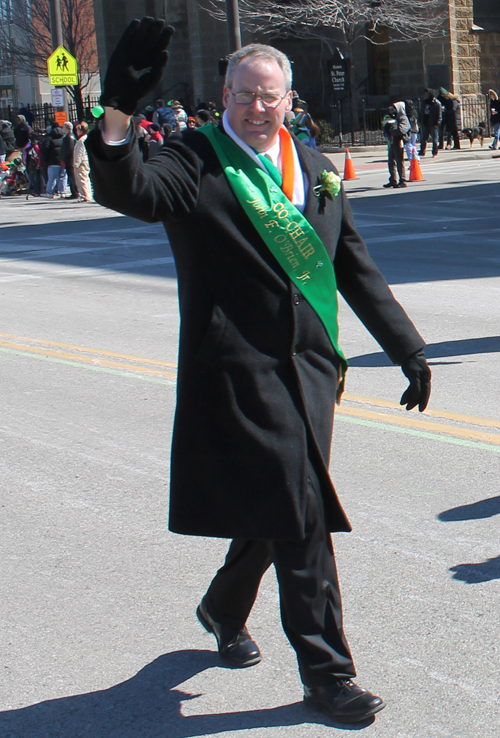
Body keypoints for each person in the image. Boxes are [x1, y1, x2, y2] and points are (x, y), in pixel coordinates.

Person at [87, 18, 431, 725]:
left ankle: (221, 606)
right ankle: (328, 673)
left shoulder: (313, 163)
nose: (256, 107)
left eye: (268, 96)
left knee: (281, 508)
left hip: (311, 374)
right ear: (225, 94)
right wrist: (116, 114)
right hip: (238, 373)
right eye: (244, 94)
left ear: (289, 98)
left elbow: (352, 267)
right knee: (303, 512)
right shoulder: (196, 159)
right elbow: (131, 192)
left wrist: (408, 347)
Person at [383, 102, 410, 188]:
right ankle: (393, 179)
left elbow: (402, 130)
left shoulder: (403, 118)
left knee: (399, 161)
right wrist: (387, 127)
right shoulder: (394, 118)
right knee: (391, 161)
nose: (393, 110)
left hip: (399, 141)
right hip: (392, 141)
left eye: (395, 108)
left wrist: (393, 128)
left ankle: (402, 180)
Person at [41, 125, 65, 198]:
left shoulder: (50, 140)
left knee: (52, 178)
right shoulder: (64, 139)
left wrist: (45, 161)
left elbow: (45, 151)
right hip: (62, 161)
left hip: (53, 161)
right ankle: (62, 192)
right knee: (62, 177)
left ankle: (50, 192)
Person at [73, 122, 93, 202]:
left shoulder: (81, 140)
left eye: (77, 130)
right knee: (85, 179)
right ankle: (87, 195)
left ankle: (85, 195)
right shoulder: (86, 138)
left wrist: (76, 163)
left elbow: (80, 152)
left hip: (81, 162)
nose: (77, 132)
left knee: (82, 179)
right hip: (86, 161)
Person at [419, 88, 441, 157]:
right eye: (425, 94)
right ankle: (422, 151)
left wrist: (437, 123)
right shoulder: (424, 102)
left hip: (433, 123)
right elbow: (421, 112)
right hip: (425, 122)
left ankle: (434, 152)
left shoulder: (436, 103)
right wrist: (420, 120)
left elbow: (439, 114)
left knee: (434, 138)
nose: (425, 95)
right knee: (423, 138)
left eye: (427, 94)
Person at [60, 121, 79, 200]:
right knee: (70, 176)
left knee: (71, 176)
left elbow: (69, 150)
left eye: (63, 127)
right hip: (69, 159)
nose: (62, 129)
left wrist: (64, 159)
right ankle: (74, 192)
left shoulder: (69, 137)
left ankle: (75, 192)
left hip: (70, 160)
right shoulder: (68, 136)